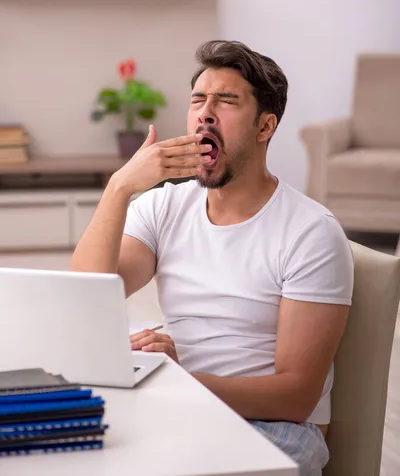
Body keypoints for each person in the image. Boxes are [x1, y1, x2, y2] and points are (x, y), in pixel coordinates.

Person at [71, 40, 354, 476]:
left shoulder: (311, 232)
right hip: (178, 405)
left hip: (273, 429)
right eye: (198, 100)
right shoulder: (164, 207)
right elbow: (85, 297)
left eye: (226, 100)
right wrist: (120, 188)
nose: (205, 112)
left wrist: (178, 380)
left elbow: (296, 397)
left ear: (265, 127)